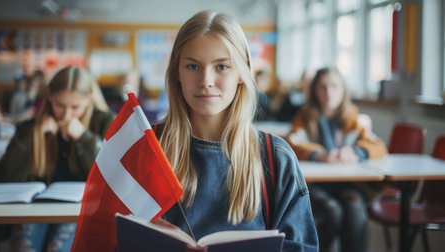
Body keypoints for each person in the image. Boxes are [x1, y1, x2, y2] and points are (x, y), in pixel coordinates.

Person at [153, 10, 318, 252]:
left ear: (242, 74)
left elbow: (302, 247)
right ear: (177, 72)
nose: (206, 80)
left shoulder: (276, 158)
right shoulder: (147, 147)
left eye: (221, 66)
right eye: (192, 66)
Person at [0, 66, 115, 252]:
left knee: (58, 248)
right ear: (49, 96)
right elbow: (7, 176)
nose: (66, 115)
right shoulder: (30, 127)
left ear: (89, 100)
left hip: (82, 212)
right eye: (60, 105)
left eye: (75, 107)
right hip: (35, 211)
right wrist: (33, 137)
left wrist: (84, 138)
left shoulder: (104, 123)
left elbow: (109, 179)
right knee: (24, 248)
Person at [286, 67, 387, 252]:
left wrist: (357, 153)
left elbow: (378, 146)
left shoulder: (351, 118)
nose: (328, 93)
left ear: (343, 90)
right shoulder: (305, 116)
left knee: (355, 207)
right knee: (333, 211)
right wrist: (319, 154)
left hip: (347, 184)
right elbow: (291, 142)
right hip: (316, 185)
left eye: (334, 86)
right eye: (322, 87)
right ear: (315, 90)